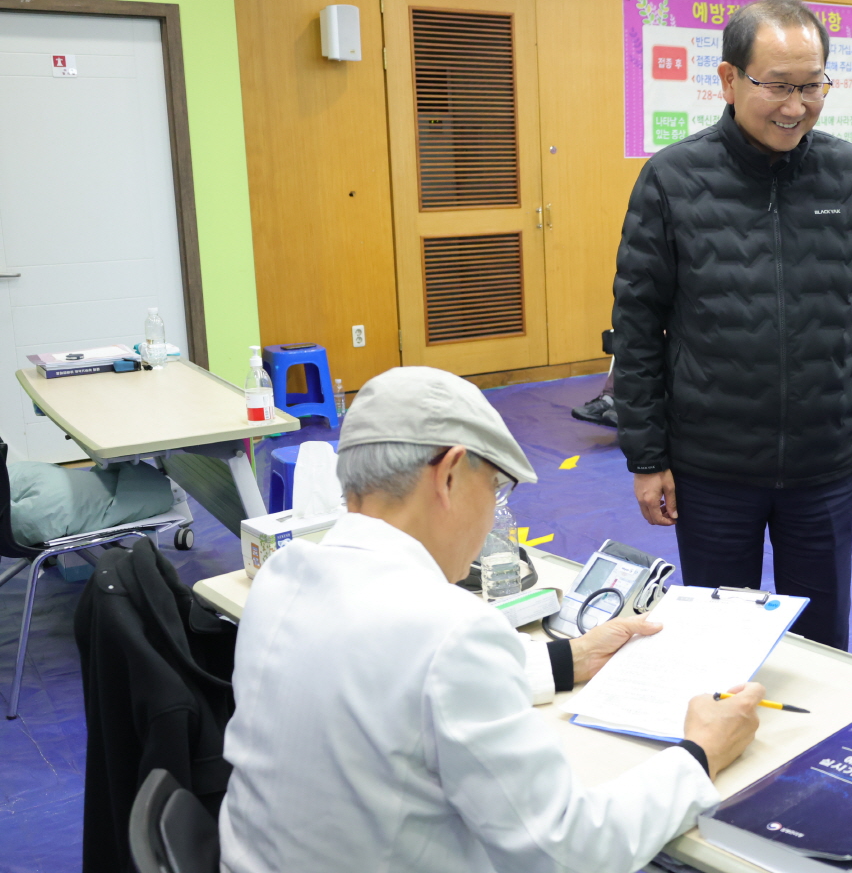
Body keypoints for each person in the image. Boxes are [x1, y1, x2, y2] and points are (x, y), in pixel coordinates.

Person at [219, 366, 764, 873]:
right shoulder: (447, 630)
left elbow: (392, 685)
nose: (495, 517)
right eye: (496, 490)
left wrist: (567, 658)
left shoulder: (285, 576)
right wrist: (699, 755)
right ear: (450, 474)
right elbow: (568, 851)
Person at [612, 0, 852, 652]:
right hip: (710, 468)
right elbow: (637, 326)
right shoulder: (673, 180)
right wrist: (647, 456)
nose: (795, 106)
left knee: (824, 647)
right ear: (728, 79)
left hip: (824, 465)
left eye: (811, 86)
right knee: (717, 648)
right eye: (777, 86)